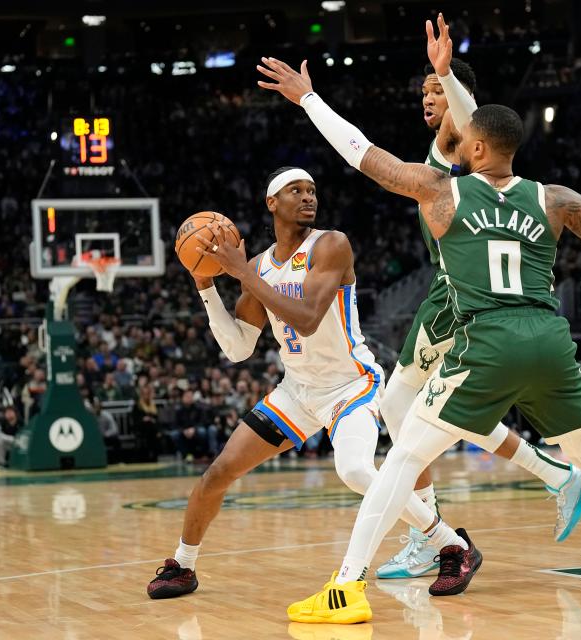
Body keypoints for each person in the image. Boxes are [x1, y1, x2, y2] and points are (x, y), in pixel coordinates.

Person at [257, 15, 581, 622]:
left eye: (465, 136)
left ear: (478, 147)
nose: (455, 138)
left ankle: (345, 590)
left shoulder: (441, 190)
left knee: (405, 458)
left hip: (486, 340)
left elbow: (362, 153)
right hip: (549, 341)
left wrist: (308, 98)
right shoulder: (554, 198)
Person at [147, 166, 451, 600]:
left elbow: (307, 319)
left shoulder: (331, 244)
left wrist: (243, 274)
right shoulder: (258, 266)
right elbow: (237, 349)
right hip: (297, 392)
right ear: (272, 202)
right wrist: (205, 285)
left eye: (312, 190)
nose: (308, 197)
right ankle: (183, 565)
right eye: (296, 190)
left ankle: (449, 544)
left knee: (355, 470)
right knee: (217, 473)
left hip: (352, 385)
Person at [375, 44, 581, 580]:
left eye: (435, 92)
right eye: (422, 91)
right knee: (404, 409)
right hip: (444, 291)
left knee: (404, 409)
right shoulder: (442, 146)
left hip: (463, 293)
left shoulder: (461, 140)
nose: (427, 99)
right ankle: (547, 471)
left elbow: (463, 106)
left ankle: (429, 535)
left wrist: (447, 76)